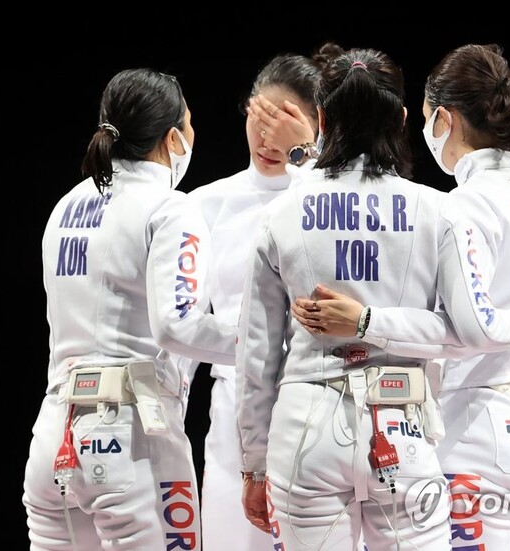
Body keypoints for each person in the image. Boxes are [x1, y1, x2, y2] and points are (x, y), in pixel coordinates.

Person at [235, 47, 510, 551]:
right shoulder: (440, 211)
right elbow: (465, 330)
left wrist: (253, 464)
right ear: (402, 120)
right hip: (405, 428)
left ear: (323, 119)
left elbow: (256, 355)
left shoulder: (280, 212)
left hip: (306, 432)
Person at [22, 67, 237, 550]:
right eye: (189, 123)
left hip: (54, 432)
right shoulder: (169, 207)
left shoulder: (65, 206)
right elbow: (178, 326)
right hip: (130, 437)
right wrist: (270, 341)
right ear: (172, 137)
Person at [185, 42, 345, 551]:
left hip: (322, 406)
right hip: (235, 415)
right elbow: (181, 325)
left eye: (285, 121)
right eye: (261, 117)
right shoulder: (203, 205)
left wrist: (307, 159)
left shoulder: (337, 201)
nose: (268, 136)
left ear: (316, 125)